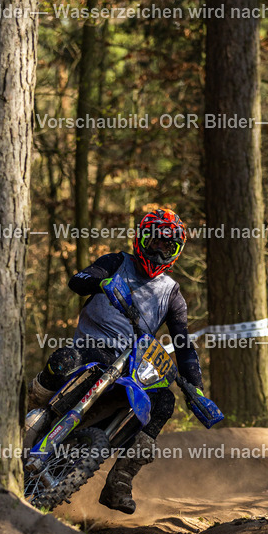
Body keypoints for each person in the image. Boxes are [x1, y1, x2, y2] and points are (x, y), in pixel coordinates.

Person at [28, 208, 204, 514]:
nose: (160, 251)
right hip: (92, 349)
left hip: (131, 365)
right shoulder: (115, 262)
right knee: (64, 358)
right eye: (156, 243)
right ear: (142, 239)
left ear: (176, 251)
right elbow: (78, 281)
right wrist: (102, 282)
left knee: (163, 400)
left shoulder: (172, 294)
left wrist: (198, 389)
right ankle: (26, 410)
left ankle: (120, 481)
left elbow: (184, 345)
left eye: (168, 246)